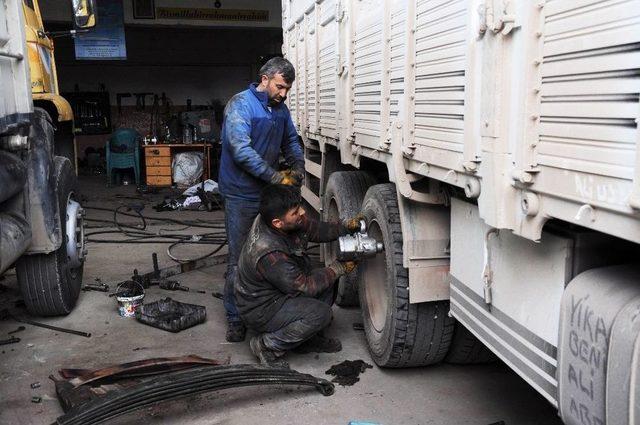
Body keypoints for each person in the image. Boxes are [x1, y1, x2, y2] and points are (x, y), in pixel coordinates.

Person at [218, 57, 305, 342]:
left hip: (266, 191)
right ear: (265, 79)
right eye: (279, 86)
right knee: (240, 255)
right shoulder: (240, 105)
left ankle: (268, 307)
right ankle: (235, 317)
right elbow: (240, 151)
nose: (283, 94)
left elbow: (291, 140)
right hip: (241, 193)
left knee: (274, 248)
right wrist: (277, 177)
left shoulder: (280, 110)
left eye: (287, 89)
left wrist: (297, 165)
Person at [235, 184, 363, 368]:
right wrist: (338, 268)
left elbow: (315, 229)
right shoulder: (269, 252)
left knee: (328, 279)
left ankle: (306, 338)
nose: (302, 212)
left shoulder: (279, 217)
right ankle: (267, 345)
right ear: (278, 223)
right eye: (296, 212)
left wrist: (345, 227)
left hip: (278, 289)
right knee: (320, 313)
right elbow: (305, 287)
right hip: (261, 308)